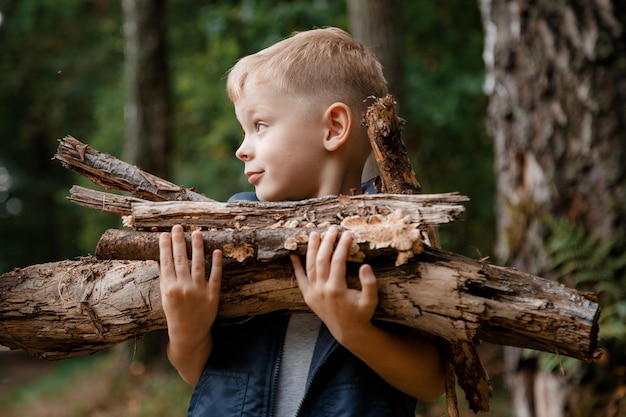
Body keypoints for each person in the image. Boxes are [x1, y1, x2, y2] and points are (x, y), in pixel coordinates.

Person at [158, 27, 445, 416]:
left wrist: (353, 330)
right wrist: (186, 331)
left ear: (334, 128)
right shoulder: (233, 235)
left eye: (259, 125)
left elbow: (431, 381)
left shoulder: (397, 233)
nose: (242, 149)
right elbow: (207, 379)